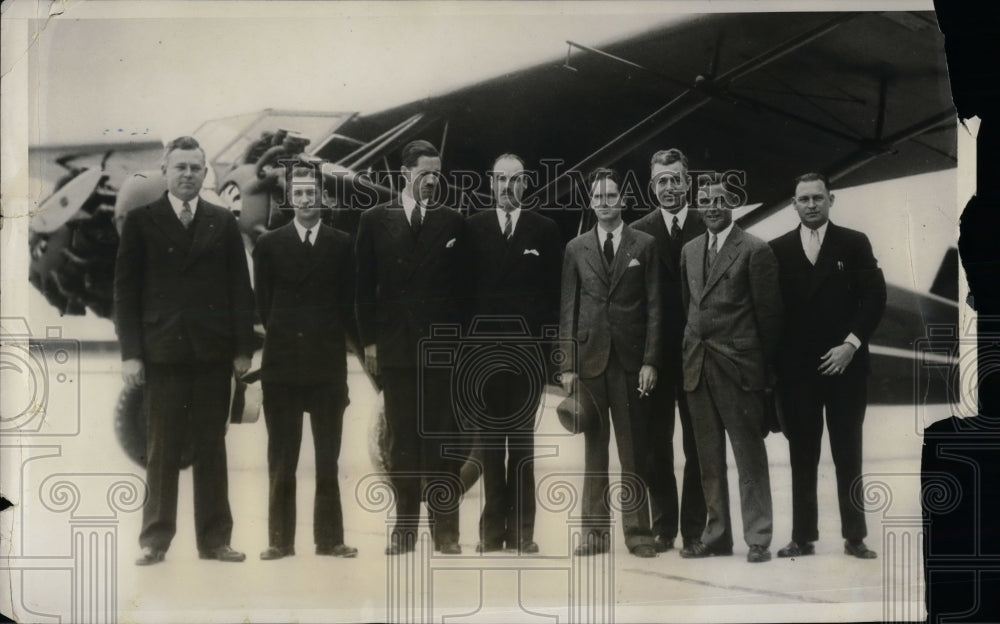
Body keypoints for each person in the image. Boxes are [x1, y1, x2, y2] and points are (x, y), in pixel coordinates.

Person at [114, 136, 255, 566]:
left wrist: (242, 350)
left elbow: (239, 291)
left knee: (212, 445)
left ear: (204, 172)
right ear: (165, 171)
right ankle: (155, 540)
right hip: (163, 354)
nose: (188, 175)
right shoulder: (141, 222)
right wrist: (131, 354)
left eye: (196, 167)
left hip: (212, 353)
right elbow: (127, 294)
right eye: (181, 167)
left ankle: (215, 540)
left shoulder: (223, 222)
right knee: (162, 448)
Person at [355, 140, 467, 555]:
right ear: (404, 174)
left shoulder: (454, 221)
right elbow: (362, 288)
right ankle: (403, 531)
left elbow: (463, 291)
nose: (432, 181)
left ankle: (446, 533)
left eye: (437, 173)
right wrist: (368, 341)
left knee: (443, 439)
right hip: (396, 346)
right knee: (402, 440)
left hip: (441, 347)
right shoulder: (373, 220)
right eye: (424, 173)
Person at [769, 173, 887, 560]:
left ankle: (855, 536)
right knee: (802, 454)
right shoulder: (777, 249)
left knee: (847, 452)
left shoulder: (854, 243)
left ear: (831, 200)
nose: (812, 204)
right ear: (794, 204)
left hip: (846, 369)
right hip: (798, 374)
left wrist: (850, 345)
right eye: (804, 198)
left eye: (818, 197)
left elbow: (874, 298)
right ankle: (803, 537)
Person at [252, 165, 359, 561]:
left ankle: (330, 540)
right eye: (298, 192)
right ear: (289, 199)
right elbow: (264, 304)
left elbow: (348, 303)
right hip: (282, 369)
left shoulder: (342, 243)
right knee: (282, 458)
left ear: (323, 197)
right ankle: (280, 540)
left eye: (312, 191)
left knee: (328, 458)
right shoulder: (270, 245)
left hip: (327, 367)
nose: (305, 198)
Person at [559, 168, 662, 558]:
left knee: (633, 450)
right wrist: (567, 364)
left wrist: (651, 360)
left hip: (631, 363)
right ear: (592, 203)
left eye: (611, 196)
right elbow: (568, 307)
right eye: (598, 197)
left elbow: (655, 308)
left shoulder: (645, 245)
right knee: (594, 450)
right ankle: (593, 533)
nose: (605, 203)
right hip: (589, 362)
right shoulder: (576, 248)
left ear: (623, 201)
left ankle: (639, 533)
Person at [678, 179, 782, 564]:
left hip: (739, 369)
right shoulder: (689, 250)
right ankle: (717, 534)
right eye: (704, 201)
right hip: (697, 366)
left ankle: (758, 537)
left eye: (719, 200)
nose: (711, 207)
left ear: (733, 204)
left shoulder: (755, 249)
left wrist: (763, 372)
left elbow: (769, 318)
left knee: (748, 455)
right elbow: (690, 305)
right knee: (708, 458)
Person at [465, 154, 562, 554]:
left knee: (521, 446)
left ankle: (523, 531)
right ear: (491, 184)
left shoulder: (544, 230)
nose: (508, 187)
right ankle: (491, 531)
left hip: (526, 360)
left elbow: (554, 299)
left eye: (515, 180)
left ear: (526, 185)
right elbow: (462, 296)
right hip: (483, 359)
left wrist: (549, 355)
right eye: (501, 179)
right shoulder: (473, 229)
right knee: (489, 446)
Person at [631, 148, 708, 553]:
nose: (669, 186)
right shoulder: (638, 231)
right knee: (655, 445)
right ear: (651, 186)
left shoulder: (706, 224)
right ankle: (664, 528)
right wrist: (646, 358)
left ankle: (694, 531)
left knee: (697, 445)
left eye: (676, 178)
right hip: (657, 358)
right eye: (662, 180)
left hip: (698, 353)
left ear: (687, 182)